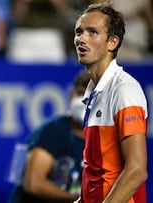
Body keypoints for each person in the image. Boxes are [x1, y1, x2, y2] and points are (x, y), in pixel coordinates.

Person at [74, 2, 148, 202]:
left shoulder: (124, 89)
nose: (82, 38)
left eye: (92, 32)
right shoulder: (93, 93)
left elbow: (137, 170)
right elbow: (98, 172)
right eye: (79, 32)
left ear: (112, 42)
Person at [9, 70, 91, 203]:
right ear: (71, 95)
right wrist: (80, 199)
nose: (85, 101)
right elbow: (34, 184)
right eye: (81, 94)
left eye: (91, 96)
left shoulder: (105, 138)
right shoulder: (52, 131)